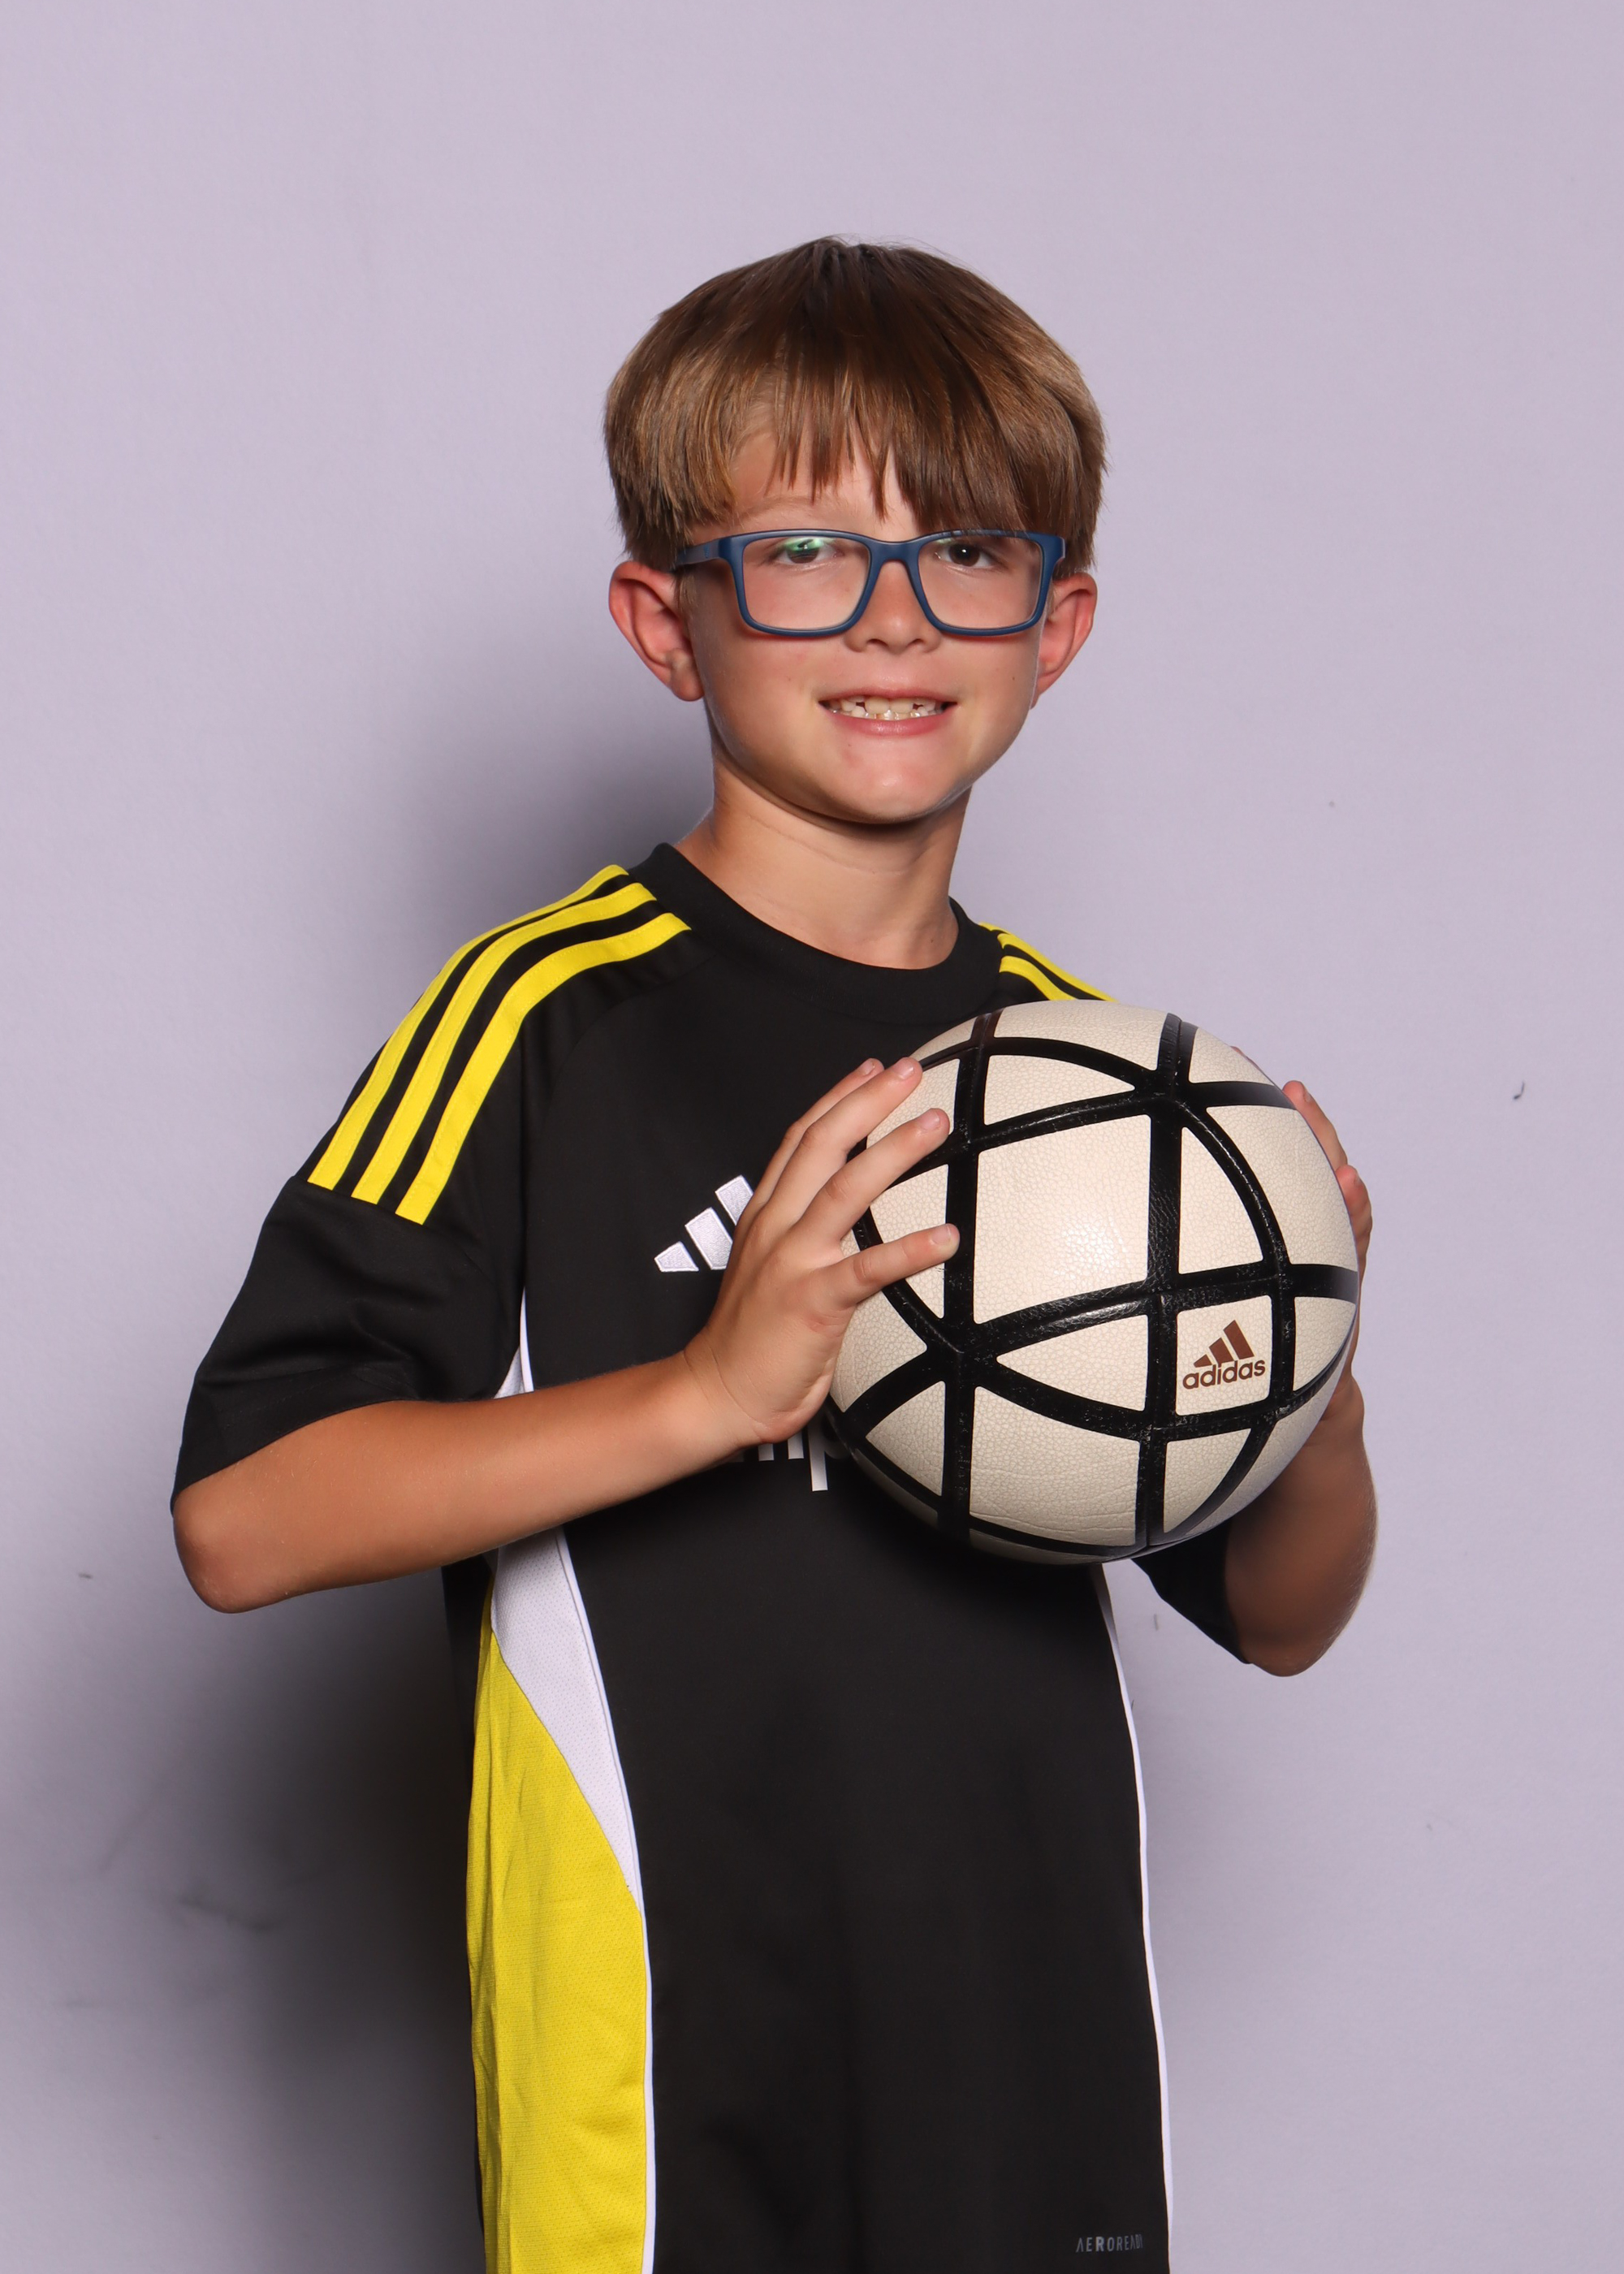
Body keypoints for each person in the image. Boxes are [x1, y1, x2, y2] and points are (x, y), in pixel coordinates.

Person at [174, 239, 1376, 2274]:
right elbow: (243, 1517)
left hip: (1031, 2045)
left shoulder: (1093, 1079)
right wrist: (707, 1392)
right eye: (807, 553)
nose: (894, 617)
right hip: (664, 2047)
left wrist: (1307, 1352)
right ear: (670, 620)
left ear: (1056, 622)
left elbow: (1279, 1611)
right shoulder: (542, 1020)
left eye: (966, 552)